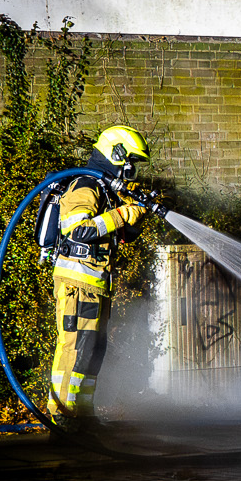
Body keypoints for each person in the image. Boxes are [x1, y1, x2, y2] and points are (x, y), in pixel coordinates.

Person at [47, 125, 155, 423]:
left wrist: (134, 214)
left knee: (93, 351)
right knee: (75, 347)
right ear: (116, 152)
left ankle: (83, 413)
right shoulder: (85, 185)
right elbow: (77, 229)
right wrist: (120, 215)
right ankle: (62, 415)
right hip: (77, 284)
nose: (130, 169)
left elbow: (123, 234)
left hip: (95, 284)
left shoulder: (106, 191)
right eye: (129, 160)